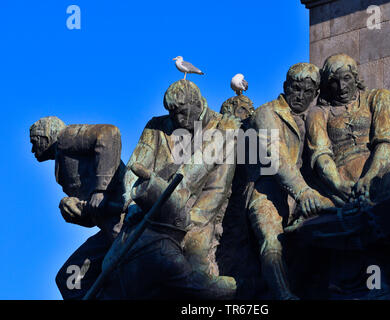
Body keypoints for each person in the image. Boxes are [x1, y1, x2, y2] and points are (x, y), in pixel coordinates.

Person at [105, 80, 239, 298]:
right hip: (150, 214)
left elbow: (211, 187)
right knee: (111, 266)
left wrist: (188, 222)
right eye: (172, 113)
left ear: (198, 103)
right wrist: (130, 201)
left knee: (198, 276)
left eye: (183, 112)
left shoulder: (223, 127)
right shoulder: (156, 126)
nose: (177, 119)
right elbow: (134, 167)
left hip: (198, 218)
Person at [246, 63, 333, 299]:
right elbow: (276, 158)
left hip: (304, 191)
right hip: (266, 190)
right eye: (295, 89)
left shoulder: (315, 117)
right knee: (272, 242)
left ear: (315, 94)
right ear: (285, 87)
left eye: (307, 92)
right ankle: (284, 296)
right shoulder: (267, 113)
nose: (300, 96)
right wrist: (304, 193)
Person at [29, 117, 125, 299]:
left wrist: (100, 189)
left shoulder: (66, 138)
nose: (33, 150)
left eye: (35, 142)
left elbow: (109, 133)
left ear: (46, 137)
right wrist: (75, 211)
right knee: (68, 279)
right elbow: (93, 214)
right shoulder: (61, 164)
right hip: (106, 229)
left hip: (123, 220)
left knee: (129, 267)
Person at [306, 54, 390, 206]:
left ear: (355, 78)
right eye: (335, 82)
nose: (342, 87)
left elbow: (386, 141)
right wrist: (337, 184)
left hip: (385, 167)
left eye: (346, 78)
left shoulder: (378, 97)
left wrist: (371, 176)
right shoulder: (318, 113)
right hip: (343, 180)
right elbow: (321, 154)